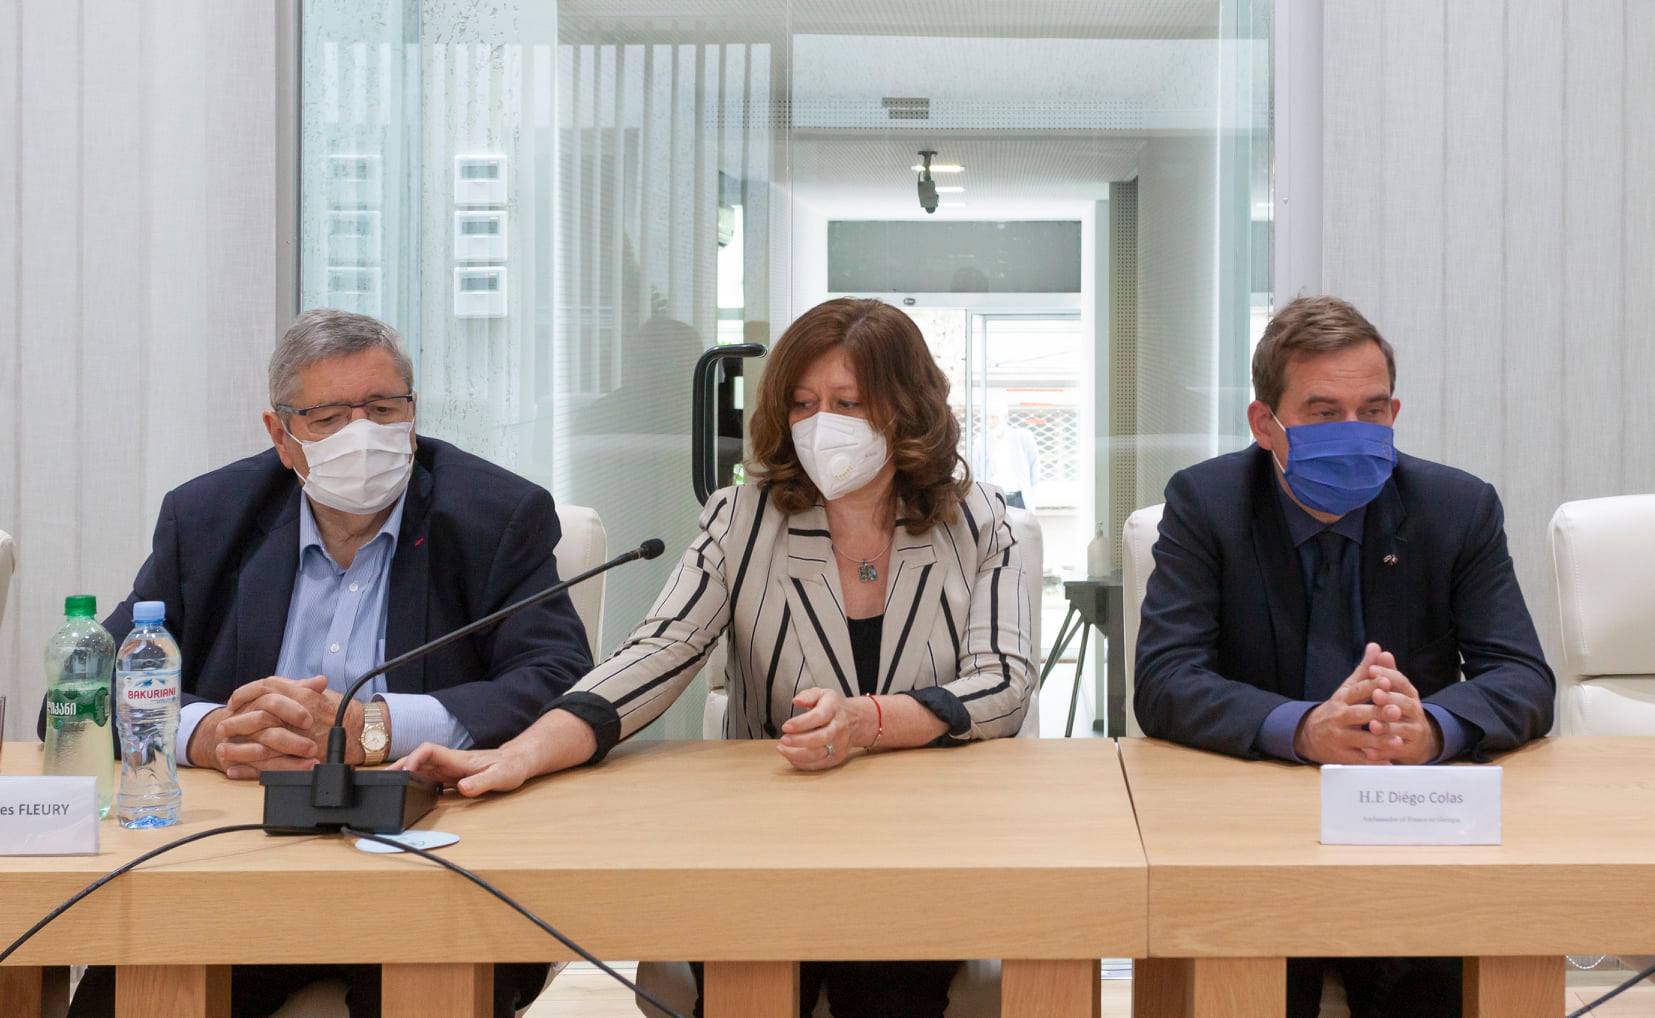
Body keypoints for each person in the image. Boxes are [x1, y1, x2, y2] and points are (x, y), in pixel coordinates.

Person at [398, 297, 1037, 1018]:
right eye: (802, 403)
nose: (819, 424)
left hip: (923, 840)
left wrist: (867, 721)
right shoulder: (743, 518)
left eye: (847, 403)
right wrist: (523, 751)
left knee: (889, 982)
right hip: (768, 839)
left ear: (906, 408)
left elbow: (1003, 683)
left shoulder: (981, 521)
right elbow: (658, 651)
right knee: (750, 976)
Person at [55, 308, 591, 1018]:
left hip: (435, 865)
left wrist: (375, 726)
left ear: (412, 417)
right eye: (330, 418)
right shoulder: (208, 517)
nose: (361, 434)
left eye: (383, 409)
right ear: (281, 436)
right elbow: (82, 692)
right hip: (238, 868)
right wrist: (208, 735)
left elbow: (560, 680)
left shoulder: (496, 514)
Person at [1133, 295, 1554, 1018]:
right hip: (1249, 829)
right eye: (1325, 413)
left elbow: (1521, 676)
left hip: (1408, 824)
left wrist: (1431, 729)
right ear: (1264, 424)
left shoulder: (1456, 508)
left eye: (1372, 410)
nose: (1354, 431)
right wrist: (1302, 728)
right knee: (1252, 986)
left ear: (1394, 414)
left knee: (1436, 981)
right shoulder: (1207, 503)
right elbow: (1164, 678)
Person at [976, 393, 1039, 509]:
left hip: (1019, 499)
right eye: (987, 417)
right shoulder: (981, 443)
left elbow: (1034, 469)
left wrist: (1032, 498)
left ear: (1005, 417)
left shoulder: (1023, 438)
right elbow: (977, 473)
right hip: (994, 499)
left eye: (994, 417)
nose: (990, 422)